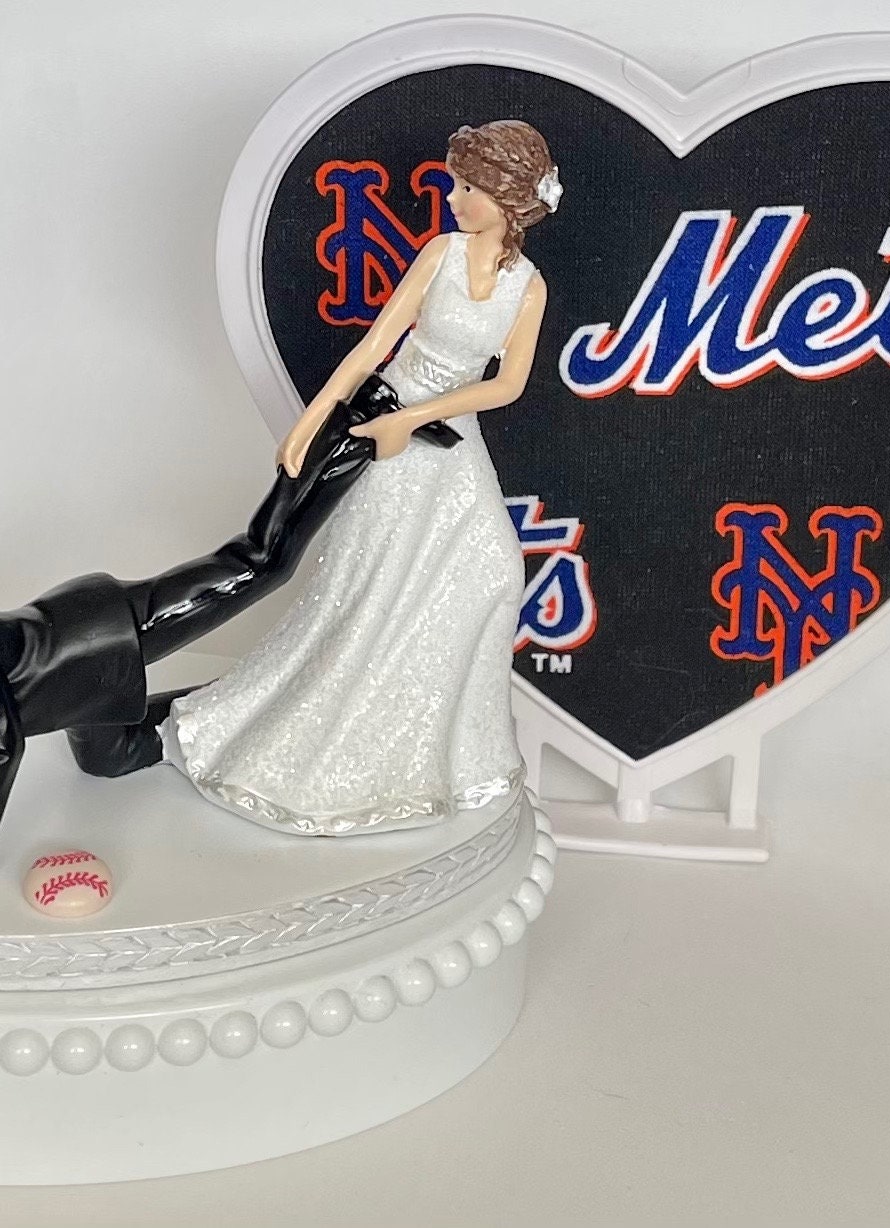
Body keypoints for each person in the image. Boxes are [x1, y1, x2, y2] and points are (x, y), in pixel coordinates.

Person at [0, 393, 394, 923]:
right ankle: (255, 692)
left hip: (97, 634)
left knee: (256, 564)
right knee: (110, 761)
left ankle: (349, 433)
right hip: (73, 700)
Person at [158, 120, 559, 835]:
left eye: (467, 187)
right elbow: (376, 343)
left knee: (495, 571)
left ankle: (448, 752)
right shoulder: (439, 254)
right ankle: (318, 745)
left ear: (504, 197)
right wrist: (314, 421)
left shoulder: (527, 288)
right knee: (369, 585)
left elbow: (507, 385)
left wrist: (421, 417)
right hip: (381, 421)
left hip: (444, 431)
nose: (454, 199)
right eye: (456, 184)